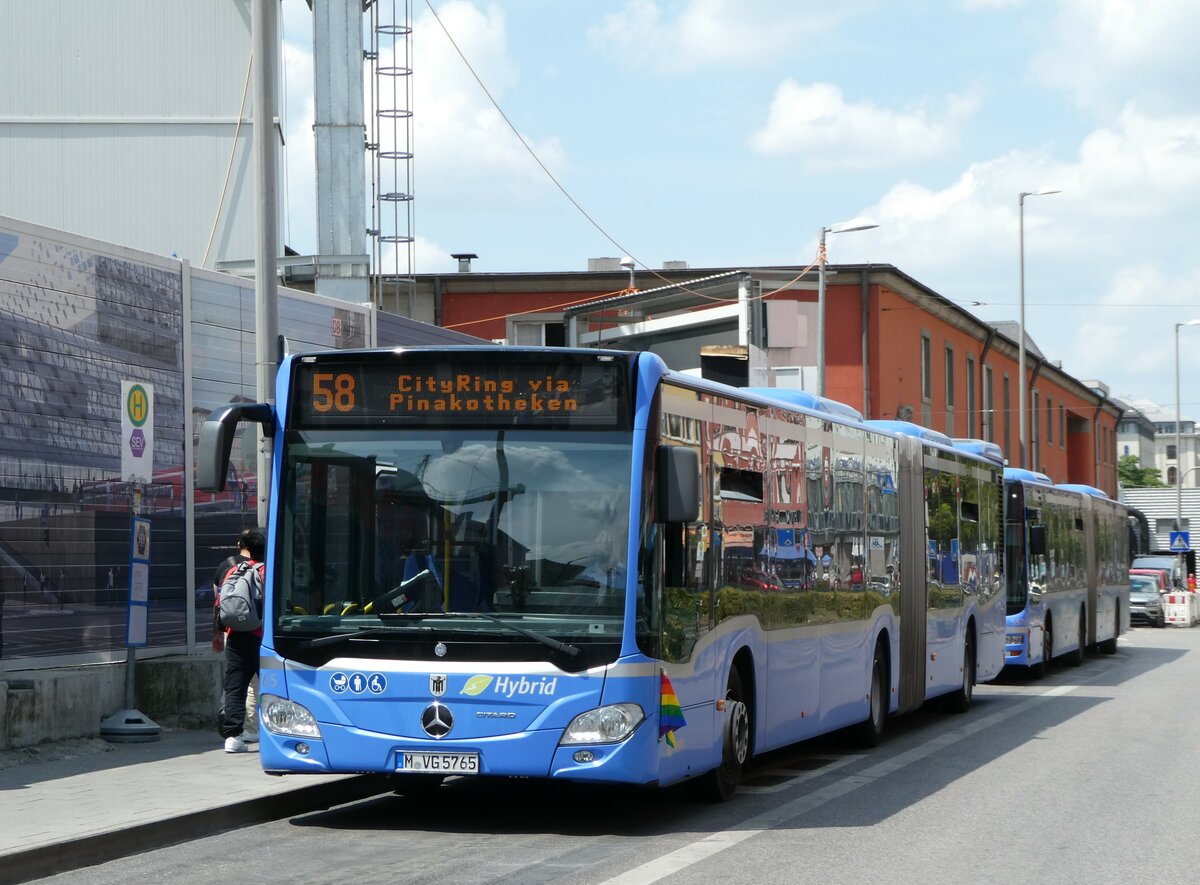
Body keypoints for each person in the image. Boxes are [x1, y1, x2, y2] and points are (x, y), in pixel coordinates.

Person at [214, 526, 265, 753]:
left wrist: (219, 631)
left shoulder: (232, 570)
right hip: (263, 638)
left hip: (235, 638)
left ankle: (233, 736)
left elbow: (219, 604)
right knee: (277, 686)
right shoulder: (268, 571)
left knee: (236, 688)